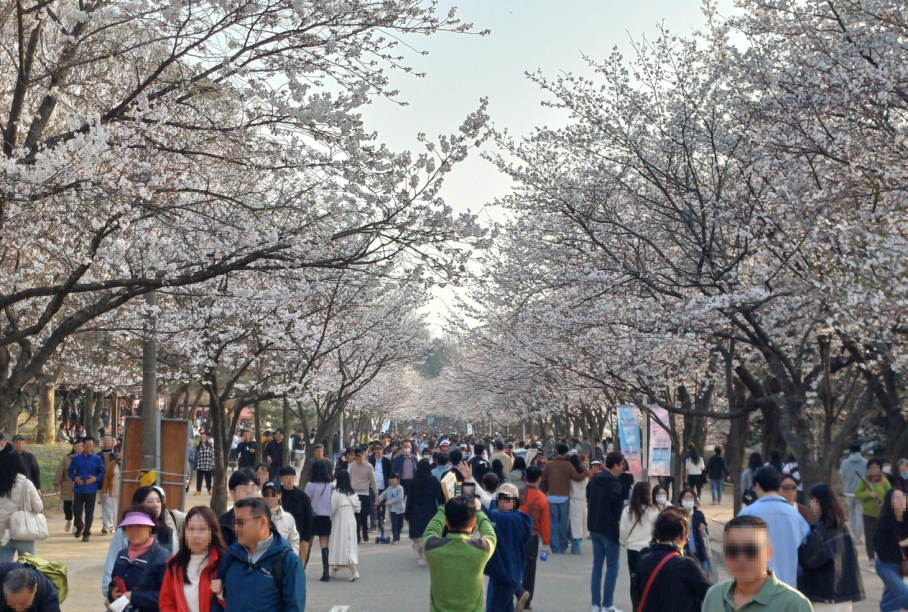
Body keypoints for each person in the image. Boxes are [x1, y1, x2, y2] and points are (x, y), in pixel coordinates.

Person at [210, 498, 306, 612]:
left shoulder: (287, 561)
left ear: (262, 523)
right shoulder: (231, 555)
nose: (235, 528)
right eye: (235, 522)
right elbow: (217, 602)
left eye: (241, 522)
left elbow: (294, 607)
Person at [701, 515, 813, 612]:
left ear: (768, 552)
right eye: (733, 550)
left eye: (751, 550)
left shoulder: (794, 605)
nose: (741, 558)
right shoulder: (714, 596)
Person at [102, 486, 182, 597]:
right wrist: (110, 595)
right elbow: (111, 574)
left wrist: (133, 597)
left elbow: (169, 590)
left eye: (158, 501)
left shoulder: (167, 541)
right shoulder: (122, 551)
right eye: (150, 501)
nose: (155, 505)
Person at [737, 466, 810, 587]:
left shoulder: (746, 514)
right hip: (788, 587)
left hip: (754, 586)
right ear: (778, 486)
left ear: (758, 486)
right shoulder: (796, 516)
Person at [424, 496, 497, 612]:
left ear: (446, 522)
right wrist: (479, 512)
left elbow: (432, 529)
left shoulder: (432, 546)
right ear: (473, 522)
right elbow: (490, 533)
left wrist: (443, 509)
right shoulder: (482, 548)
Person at [630, 508, 712, 612]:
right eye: (687, 537)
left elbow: (636, 594)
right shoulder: (686, 564)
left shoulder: (645, 558)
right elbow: (710, 594)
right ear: (680, 536)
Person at [798, 483, 863, 612]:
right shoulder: (842, 527)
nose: (811, 504)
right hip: (845, 594)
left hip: (826, 596)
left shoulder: (822, 531)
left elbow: (808, 559)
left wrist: (798, 546)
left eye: (813, 500)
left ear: (820, 501)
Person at [159, 506, 226, 612]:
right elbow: (167, 603)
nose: (195, 535)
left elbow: (237, 603)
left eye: (202, 530)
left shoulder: (224, 563)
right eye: (191, 529)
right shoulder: (175, 565)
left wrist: (223, 594)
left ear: (213, 533)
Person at [107, 506, 170, 612]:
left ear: (150, 528)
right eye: (130, 526)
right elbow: (112, 586)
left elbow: (167, 596)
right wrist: (112, 594)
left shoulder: (163, 557)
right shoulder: (122, 555)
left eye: (140, 526)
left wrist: (133, 597)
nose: (134, 531)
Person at [484, 484, 533, 612]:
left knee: (493, 608)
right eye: (500, 498)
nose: (503, 502)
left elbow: (488, 514)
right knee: (506, 608)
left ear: (514, 501)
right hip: (508, 573)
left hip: (503, 574)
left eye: (507, 499)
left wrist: (474, 504)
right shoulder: (520, 517)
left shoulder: (509, 518)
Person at [588, 451, 626, 612]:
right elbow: (617, 507)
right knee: (612, 567)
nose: (623, 468)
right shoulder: (615, 483)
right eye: (622, 465)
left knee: (597, 566)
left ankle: (596, 604)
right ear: (616, 465)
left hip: (594, 527)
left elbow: (588, 497)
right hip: (609, 530)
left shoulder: (594, 479)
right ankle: (607, 604)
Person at [540, 443, 588, 554]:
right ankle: (563, 545)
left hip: (551, 496)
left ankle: (554, 547)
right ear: (566, 453)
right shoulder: (567, 465)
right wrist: (585, 473)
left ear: (557, 451)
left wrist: (549, 488)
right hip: (564, 497)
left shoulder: (548, 464)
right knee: (563, 522)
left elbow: (543, 480)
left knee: (553, 522)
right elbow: (576, 477)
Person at [0, 446, 42, 563]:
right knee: (27, 569)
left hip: (3, 535)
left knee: (3, 571)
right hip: (23, 532)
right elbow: (38, 507)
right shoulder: (26, 484)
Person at [517, 465, 550, 612]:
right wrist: (546, 544)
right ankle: (526, 600)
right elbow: (545, 523)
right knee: (529, 570)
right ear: (539, 479)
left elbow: (503, 513)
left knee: (513, 566)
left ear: (525, 477)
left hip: (515, 535)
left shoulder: (515, 493)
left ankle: (515, 593)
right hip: (532, 537)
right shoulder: (542, 497)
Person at [406, 458, 446, 566]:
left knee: (418, 534)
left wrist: (407, 514)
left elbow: (409, 499)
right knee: (429, 533)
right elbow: (440, 497)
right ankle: (429, 555)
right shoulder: (433, 480)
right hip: (430, 510)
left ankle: (420, 557)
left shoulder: (413, 481)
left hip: (416, 510)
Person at [873, 488, 908, 612]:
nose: (902, 500)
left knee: (890, 601)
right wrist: (903, 543)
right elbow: (880, 548)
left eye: (903, 497)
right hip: (885, 565)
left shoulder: (906, 519)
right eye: (897, 498)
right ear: (890, 502)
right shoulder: (883, 522)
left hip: (900, 566)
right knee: (904, 595)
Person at [619, 482, 660, 588]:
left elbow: (623, 530)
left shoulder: (628, 511)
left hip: (633, 550)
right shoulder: (654, 511)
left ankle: (635, 603)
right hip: (649, 549)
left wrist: (623, 542)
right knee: (649, 581)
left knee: (634, 580)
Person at [67, 436, 106, 542]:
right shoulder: (76, 458)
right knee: (77, 511)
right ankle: (79, 525)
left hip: (91, 490)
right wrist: (74, 478)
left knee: (89, 512)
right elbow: (70, 470)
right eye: (87, 445)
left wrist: (95, 479)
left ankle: (87, 532)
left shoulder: (97, 459)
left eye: (91, 445)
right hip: (79, 489)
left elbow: (102, 472)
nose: (89, 447)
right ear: (83, 446)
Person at [855, 457, 890, 562]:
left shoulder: (884, 481)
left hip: (882, 513)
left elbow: (890, 494)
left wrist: (885, 503)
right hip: (868, 513)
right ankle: (871, 556)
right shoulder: (864, 481)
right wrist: (868, 494)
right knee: (869, 535)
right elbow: (857, 494)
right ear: (868, 469)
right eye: (871, 467)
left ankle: (881, 554)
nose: (874, 469)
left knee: (882, 535)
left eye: (877, 467)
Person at [327, 470, 360, 581]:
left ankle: (354, 571)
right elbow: (357, 508)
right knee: (348, 542)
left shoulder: (336, 493)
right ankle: (335, 570)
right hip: (351, 518)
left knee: (341, 543)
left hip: (340, 520)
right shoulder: (353, 493)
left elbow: (332, 509)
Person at [304, 460, 334, 581]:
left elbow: (306, 501)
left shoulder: (309, 485)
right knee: (324, 545)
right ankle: (326, 572)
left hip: (313, 517)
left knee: (307, 544)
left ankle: (302, 569)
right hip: (325, 517)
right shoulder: (330, 485)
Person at [277, 467, 313, 564]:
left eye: (292, 477)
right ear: (280, 479)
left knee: (299, 567)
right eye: (286, 477)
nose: (289, 480)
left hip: (301, 538)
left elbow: (309, 519)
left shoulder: (303, 497)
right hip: (280, 538)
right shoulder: (276, 495)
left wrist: (306, 539)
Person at [217, 471, 258, 548]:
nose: (249, 492)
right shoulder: (221, 525)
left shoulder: (266, 522)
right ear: (233, 494)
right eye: (244, 488)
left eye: (253, 488)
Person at [261, 482, 300, 556]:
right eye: (266, 494)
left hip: (284, 561)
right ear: (262, 497)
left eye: (273, 494)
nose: (270, 497)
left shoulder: (288, 518)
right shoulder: (258, 518)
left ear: (279, 495)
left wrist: (293, 559)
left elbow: (294, 541)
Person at [678, 487, 710, 576]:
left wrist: (703, 530)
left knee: (703, 579)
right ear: (681, 499)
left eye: (691, 498)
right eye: (686, 498)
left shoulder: (698, 515)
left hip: (699, 553)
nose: (689, 500)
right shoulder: (677, 515)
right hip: (683, 555)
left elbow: (705, 534)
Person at [348, 448, 377, 543]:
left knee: (364, 515)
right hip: (354, 494)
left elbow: (373, 481)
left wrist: (377, 495)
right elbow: (350, 478)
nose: (358, 458)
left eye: (360, 456)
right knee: (355, 516)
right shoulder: (352, 466)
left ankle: (365, 530)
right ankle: (357, 536)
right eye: (356, 456)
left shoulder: (369, 467)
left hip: (365, 493)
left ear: (364, 455)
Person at [840, 444, 867, 544]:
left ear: (850, 451)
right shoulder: (865, 463)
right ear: (860, 451)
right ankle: (858, 536)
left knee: (851, 513)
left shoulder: (844, 463)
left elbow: (842, 476)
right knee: (860, 514)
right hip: (862, 492)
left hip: (849, 491)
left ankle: (854, 534)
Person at [53, 440, 80, 533]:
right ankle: (69, 519)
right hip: (67, 486)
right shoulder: (66, 459)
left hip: (80, 487)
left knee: (78, 507)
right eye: (76, 446)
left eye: (81, 446)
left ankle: (77, 525)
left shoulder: (86, 458)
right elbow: (60, 471)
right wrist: (57, 483)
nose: (78, 448)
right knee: (67, 507)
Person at [369, 442, 392, 533]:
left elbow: (390, 473)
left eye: (380, 448)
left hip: (384, 487)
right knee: (373, 506)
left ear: (383, 450)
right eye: (376, 449)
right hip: (372, 487)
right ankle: (373, 525)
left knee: (382, 506)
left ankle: (381, 523)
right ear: (374, 450)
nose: (378, 450)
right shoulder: (370, 460)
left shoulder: (386, 461)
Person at [568, 454, 589, 554]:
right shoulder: (585, 474)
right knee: (582, 525)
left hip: (573, 500)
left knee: (574, 526)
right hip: (583, 500)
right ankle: (577, 547)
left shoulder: (570, 475)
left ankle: (576, 549)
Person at [377, 474, 405, 544]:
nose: (392, 482)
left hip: (400, 509)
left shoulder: (400, 488)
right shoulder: (389, 489)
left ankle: (397, 536)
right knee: (394, 524)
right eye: (391, 480)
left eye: (394, 480)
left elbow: (399, 498)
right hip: (392, 510)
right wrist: (378, 500)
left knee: (399, 524)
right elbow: (383, 494)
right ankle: (395, 538)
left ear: (398, 481)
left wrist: (389, 502)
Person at [100, 444, 122, 534]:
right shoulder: (112, 464)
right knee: (115, 512)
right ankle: (116, 530)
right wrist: (104, 491)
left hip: (125, 492)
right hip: (114, 491)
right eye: (115, 451)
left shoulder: (129, 463)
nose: (117, 453)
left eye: (119, 451)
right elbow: (106, 478)